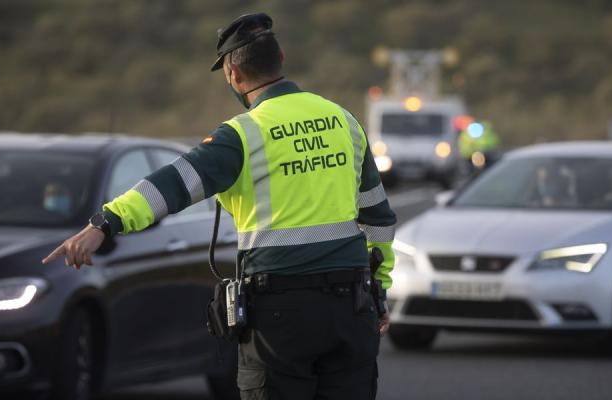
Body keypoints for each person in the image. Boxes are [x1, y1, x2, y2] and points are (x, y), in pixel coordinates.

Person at [42, 12, 396, 400]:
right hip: (351, 308)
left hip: (281, 317)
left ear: (233, 75)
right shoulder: (343, 121)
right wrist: (378, 292)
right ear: (281, 57)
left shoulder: (242, 135)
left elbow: (171, 185)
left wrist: (104, 223)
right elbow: (378, 218)